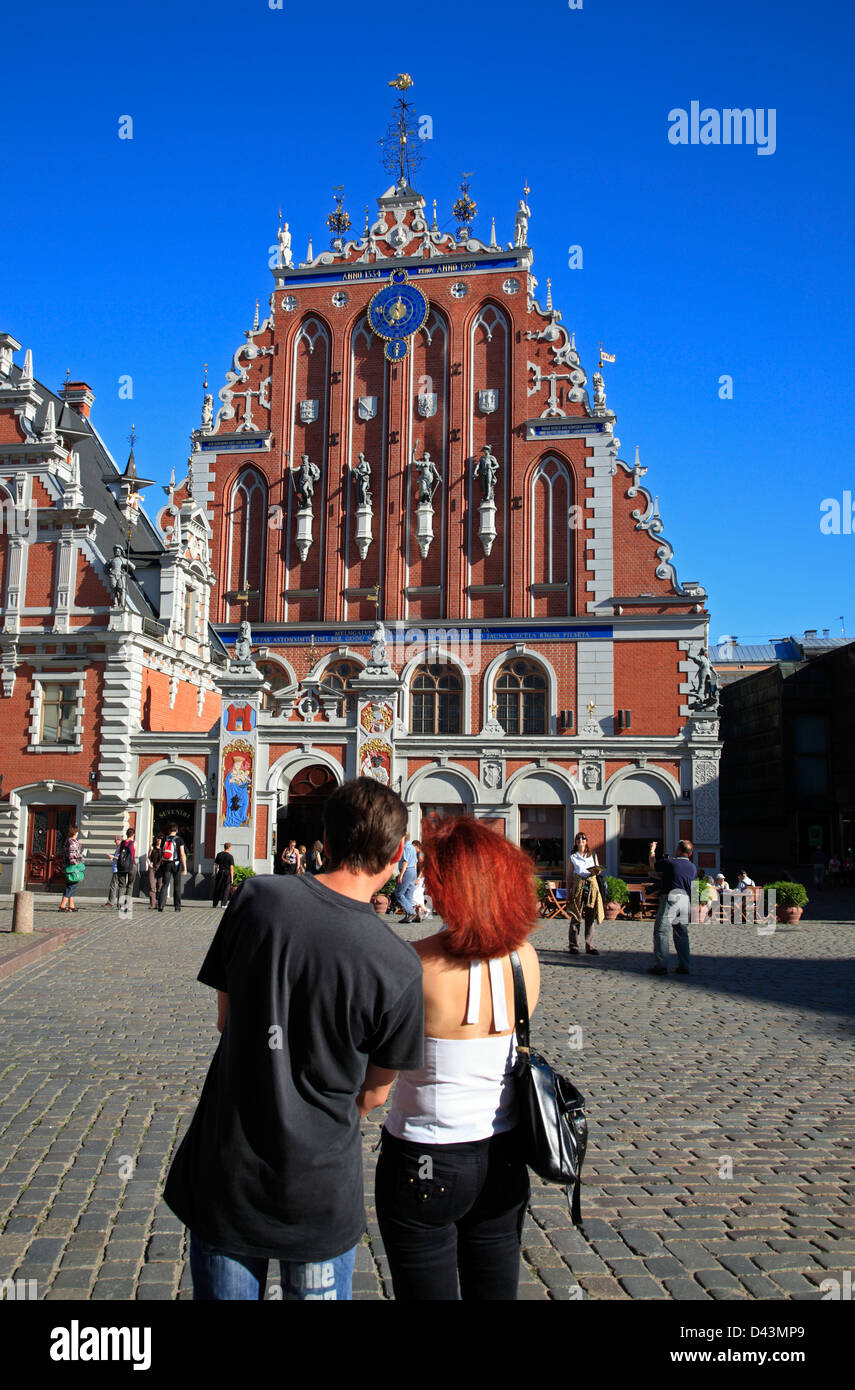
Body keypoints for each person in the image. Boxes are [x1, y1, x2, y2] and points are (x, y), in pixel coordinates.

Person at [163, 777, 424, 1301]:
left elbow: (226, 1019)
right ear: (398, 854)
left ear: (323, 839)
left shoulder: (258, 899)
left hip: (228, 1170)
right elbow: (372, 1095)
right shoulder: (399, 965)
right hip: (320, 1187)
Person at [375, 815, 540, 1301]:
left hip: (424, 1155)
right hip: (504, 1150)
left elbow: (377, 1085)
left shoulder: (413, 963)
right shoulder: (525, 958)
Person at [648, 839, 697, 976]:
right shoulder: (693, 867)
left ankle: (661, 965)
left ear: (679, 850)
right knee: (682, 933)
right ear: (690, 853)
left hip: (670, 897)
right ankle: (684, 965)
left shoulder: (671, 862)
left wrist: (652, 850)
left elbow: (653, 865)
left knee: (661, 931)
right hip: (685, 899)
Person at [566, 831, 604, 956]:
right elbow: (569, 876)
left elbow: (598, 869)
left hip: (591, 887)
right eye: (578, 838)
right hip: (578, 888)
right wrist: (568, 892)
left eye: (583, 838)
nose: (580, 840)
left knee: (590, 916)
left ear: (586, 841)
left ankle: (590, 946)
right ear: (576, 842)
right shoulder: (573, 857)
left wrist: (596, 871)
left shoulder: (592, 855)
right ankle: (573, 945)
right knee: (576, 916)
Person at [158, 823, 188, 912]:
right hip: (176, 864)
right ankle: (177, 907)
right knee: (177, 885)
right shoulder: (179, 840)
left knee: (165, 884)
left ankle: (161, 905)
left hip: (166, 863)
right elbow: (182, 854)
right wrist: (185, 867)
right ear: (177, 830)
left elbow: (161, 851)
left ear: (169, 830)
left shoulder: (164, 839)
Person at [394, 833, 418, 923]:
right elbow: (415, 861)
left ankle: (411, 912)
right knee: (408, 896)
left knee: (399, 893)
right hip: (413, 871)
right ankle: (408, 917)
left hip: (407, 871)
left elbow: (405, 862)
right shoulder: (412, 847)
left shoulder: (405, 847)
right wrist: (415, 876)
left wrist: (401, 875)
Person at [59, 825, 84, 913]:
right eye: (77, 832)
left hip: (68, 867)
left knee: (71, 885)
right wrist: (76, 863)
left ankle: (71, 905)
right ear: (75, 832)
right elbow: (72, 855)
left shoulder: (70, 841)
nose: (77, 833)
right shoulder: (72, 842)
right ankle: (62, 906)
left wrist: (80, 845)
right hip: (72, 868)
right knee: (71, 886)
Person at [116, 829, 136, 910]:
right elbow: (134, 854)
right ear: (133, 835)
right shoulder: (134, 843)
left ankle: (120, 904)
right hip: (131, 865)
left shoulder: (122, 843)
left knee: (121, 885)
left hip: (121, 865)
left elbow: (119, 852)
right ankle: (127, 904)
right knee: (130, 885)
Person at [212, 843, 235, 908]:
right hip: (227, 873)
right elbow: (231, 868)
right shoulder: (230, 856)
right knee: (226, 889)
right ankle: (223, 904)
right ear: (229, 847)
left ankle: (214, 904)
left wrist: (215, 873)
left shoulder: (219, 855)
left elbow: (216, 865)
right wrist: (232, 878)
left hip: (220, 872)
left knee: (217, 888)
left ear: (224, 847)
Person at [105, 834, 122, 907]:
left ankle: (111, 902)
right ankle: (117, 902)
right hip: (116, 868)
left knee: (113, 885)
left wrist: (112, 857)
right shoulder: (119, 847)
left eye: (115, 840)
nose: (115, 842)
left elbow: (120, 858)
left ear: (119, 840)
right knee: (116, 885)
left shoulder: (121, 848)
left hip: (117, 869)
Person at [146, 836, 163, 909]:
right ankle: (152, 903)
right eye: (158, 839)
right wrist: (149, 864)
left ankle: (159, 903)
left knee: (160, 885)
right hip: (152, 866)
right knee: (152, 885)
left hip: (161, 867)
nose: (159, 840)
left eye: (160, 839)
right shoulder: (152, 847)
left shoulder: (163, 848)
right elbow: (148, 857)